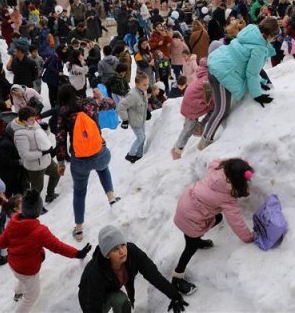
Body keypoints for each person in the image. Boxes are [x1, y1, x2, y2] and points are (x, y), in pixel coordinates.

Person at [0, 189, 91, 313]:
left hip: (14, 264)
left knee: (22, 278)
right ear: (38, 210)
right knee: (31, 297)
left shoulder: (13, 222)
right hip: (27, 270)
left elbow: (2, 243)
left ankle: (17, 293)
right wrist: (77, 253)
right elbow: (58, 247)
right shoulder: (39, 231)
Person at [171, 159, 255, 295]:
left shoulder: (217, 170)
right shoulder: (227, 198)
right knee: (189, 247)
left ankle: (196, 239)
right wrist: (248, 237)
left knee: (218, 218)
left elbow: (213, 162)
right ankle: (177, 278)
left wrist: (230, 163)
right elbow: (236, 221)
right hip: (191, 219)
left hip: (186, 204)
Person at [55, 85, 120, 241]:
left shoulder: (63, 114)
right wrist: (100, 97)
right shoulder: (90, 103)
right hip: (100, 153)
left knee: (79, 192)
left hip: (79, 160)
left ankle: (79, 230)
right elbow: (112, 104)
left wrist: (61, 162)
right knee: (103, 169)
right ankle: (112, 199)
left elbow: (60, 139)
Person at [201, 18, 278, 148]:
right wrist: (257, 94)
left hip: (218, 65)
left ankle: (205, 132)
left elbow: (243, 62)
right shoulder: (259, 48)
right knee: (222, 110)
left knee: (221, 107)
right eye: (275, 37)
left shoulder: (251, 33)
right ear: (270, 35)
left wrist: (259, 83)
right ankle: (205, 141)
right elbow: (251, 73)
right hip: (222, 74)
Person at [78, 225, 188, 313]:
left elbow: (153, 275)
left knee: (123, 302)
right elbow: (91, 305)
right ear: (107, 254)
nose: (122, 251)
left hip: (111, 290)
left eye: (122, 245)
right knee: (120, 298)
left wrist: (174, 295)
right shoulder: (96, 272)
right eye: (116, 249)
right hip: (91, 300)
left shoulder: (132, 253)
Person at [13, 107, 60, 205]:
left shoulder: (33, 123)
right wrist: (42, 153)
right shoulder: (20, 135)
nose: (34, 121)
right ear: (24, 121)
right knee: (37, 189)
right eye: (31, 119)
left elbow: (43, 137)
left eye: (34, 118)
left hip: (46, 160)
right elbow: (24, 155)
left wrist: (46, 129)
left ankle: (50, 194)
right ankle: (35, 207)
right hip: (35, 166)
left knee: (57, 173)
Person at [118, 73, 151, 164]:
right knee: (140, 138)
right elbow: (121, 106)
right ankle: (131, 155)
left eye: (148, 84)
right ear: (137, 84)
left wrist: (147, 111)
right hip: (135, 121)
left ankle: (139, 155)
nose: (147, 86)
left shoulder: (142, 91)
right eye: (144, 84)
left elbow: (143, 103)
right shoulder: (133, 95)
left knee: (143, 138)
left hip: (141, 119)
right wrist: (125, 120)